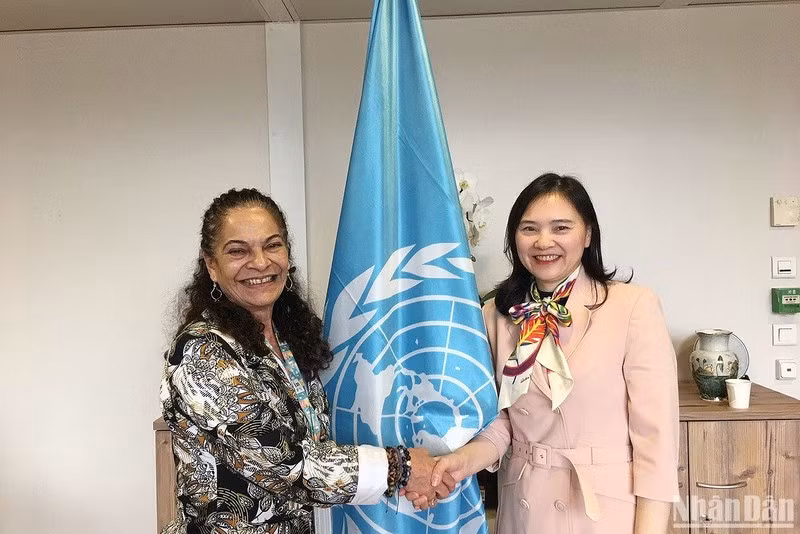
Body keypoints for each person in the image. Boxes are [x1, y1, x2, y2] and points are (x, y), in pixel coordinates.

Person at [159, 188, 453, 534]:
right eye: (238, 251)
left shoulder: (287, 340)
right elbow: (282, 464)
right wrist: (400, 467)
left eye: (272, 245)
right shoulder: (201, 351)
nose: (260, 262)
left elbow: (315, 442)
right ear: (211, 265)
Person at [406, 173, 679, 533]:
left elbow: (657, 442)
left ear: (588, 234)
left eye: (561, 227)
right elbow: (501, 423)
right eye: (529, 228)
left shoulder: (633, 307)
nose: (543, 241)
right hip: (525, 509)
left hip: (604, 513)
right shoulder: (495, 315)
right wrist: (460, 462)